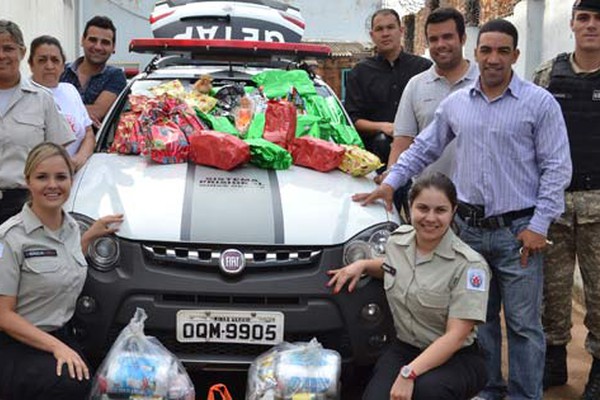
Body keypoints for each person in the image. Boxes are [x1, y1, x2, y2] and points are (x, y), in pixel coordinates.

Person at [354, 19, 572, 400]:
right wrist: (390, 180)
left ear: (515, 56)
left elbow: (557, 167)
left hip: (517, 232)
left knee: (523, 325)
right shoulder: (458, 104)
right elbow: (424, 147)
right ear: (476, 53)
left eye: (503, 51)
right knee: (479, 320)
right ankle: (488, 388)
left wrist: (539, 224)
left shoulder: (539, 104)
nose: (493, 58)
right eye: (486, 50)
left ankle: (524, 395)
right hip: (467, 231)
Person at [328, 173, 489, 400]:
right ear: (409, 207)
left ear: (453, 211)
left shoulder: (470, 265)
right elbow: (393, 268)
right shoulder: (398, 242)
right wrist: (362, 264)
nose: (430, 218)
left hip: (457, 357)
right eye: (422, 208)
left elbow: (456, 337)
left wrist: (409, 373)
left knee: (426, 392)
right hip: (406, 348)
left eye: (440, 210)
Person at [0, 142, 124, 400]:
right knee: (71, 384)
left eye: (61, 176)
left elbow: (58, 265)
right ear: (28, 182)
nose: (52, 185)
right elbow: (3, 316)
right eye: (42, 177)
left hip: (59, 335)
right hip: (17, 343)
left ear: (71, 180)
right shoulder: (10, 238)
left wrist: (90, 235)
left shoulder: (70, 229)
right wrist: (57, 348)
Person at [532, 0, 600, 397]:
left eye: (598, 18)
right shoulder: (547, 75)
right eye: (585, 18)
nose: (592, 25)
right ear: (573, 24)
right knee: (551, 293)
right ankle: (553, 360)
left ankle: (598, 370)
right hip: (554, 205)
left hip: (598, 206)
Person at [344, 8, 431, 212]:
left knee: (424, 220)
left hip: (419, 162)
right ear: (372, 35)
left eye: (390, 27)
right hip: (375, 166)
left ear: (401, 30)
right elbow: (352, 119)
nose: (385, 33)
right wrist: (384, 127)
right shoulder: (360, 73)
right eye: (379, 29)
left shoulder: (424, 69)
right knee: (382, 223)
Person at [387, 7, 478, 180]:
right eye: (433, 39)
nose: (440, 44)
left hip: (476, 200)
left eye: (447, 37)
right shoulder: (416, 86)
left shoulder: (484, 83)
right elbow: (402, 142)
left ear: (463, 38)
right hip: (428, 199)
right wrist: (390, 183)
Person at [0, 20, 73, 225]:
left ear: (22, 52)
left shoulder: (42, 99)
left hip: (26, 206)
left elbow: (56, 153)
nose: (2, 55)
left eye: (8, 48)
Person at [29, 35, 95, 171]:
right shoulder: (24, 95)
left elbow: (88, 133)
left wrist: (78, 159)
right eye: (42, 60)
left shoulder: (70, 91)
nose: (49, 66)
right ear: (31, 64)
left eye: (55, 60)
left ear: (63, 66)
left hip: (75, 179)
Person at [60, 15, 127, 128]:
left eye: (105, 42)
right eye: (93, 40)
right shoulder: (61, 71)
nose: (98, 47)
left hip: (97, 144)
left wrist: (59, 111)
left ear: (113, 47)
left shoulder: (115, 76)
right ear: (82, 40)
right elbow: (43, 108)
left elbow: (97, 112)